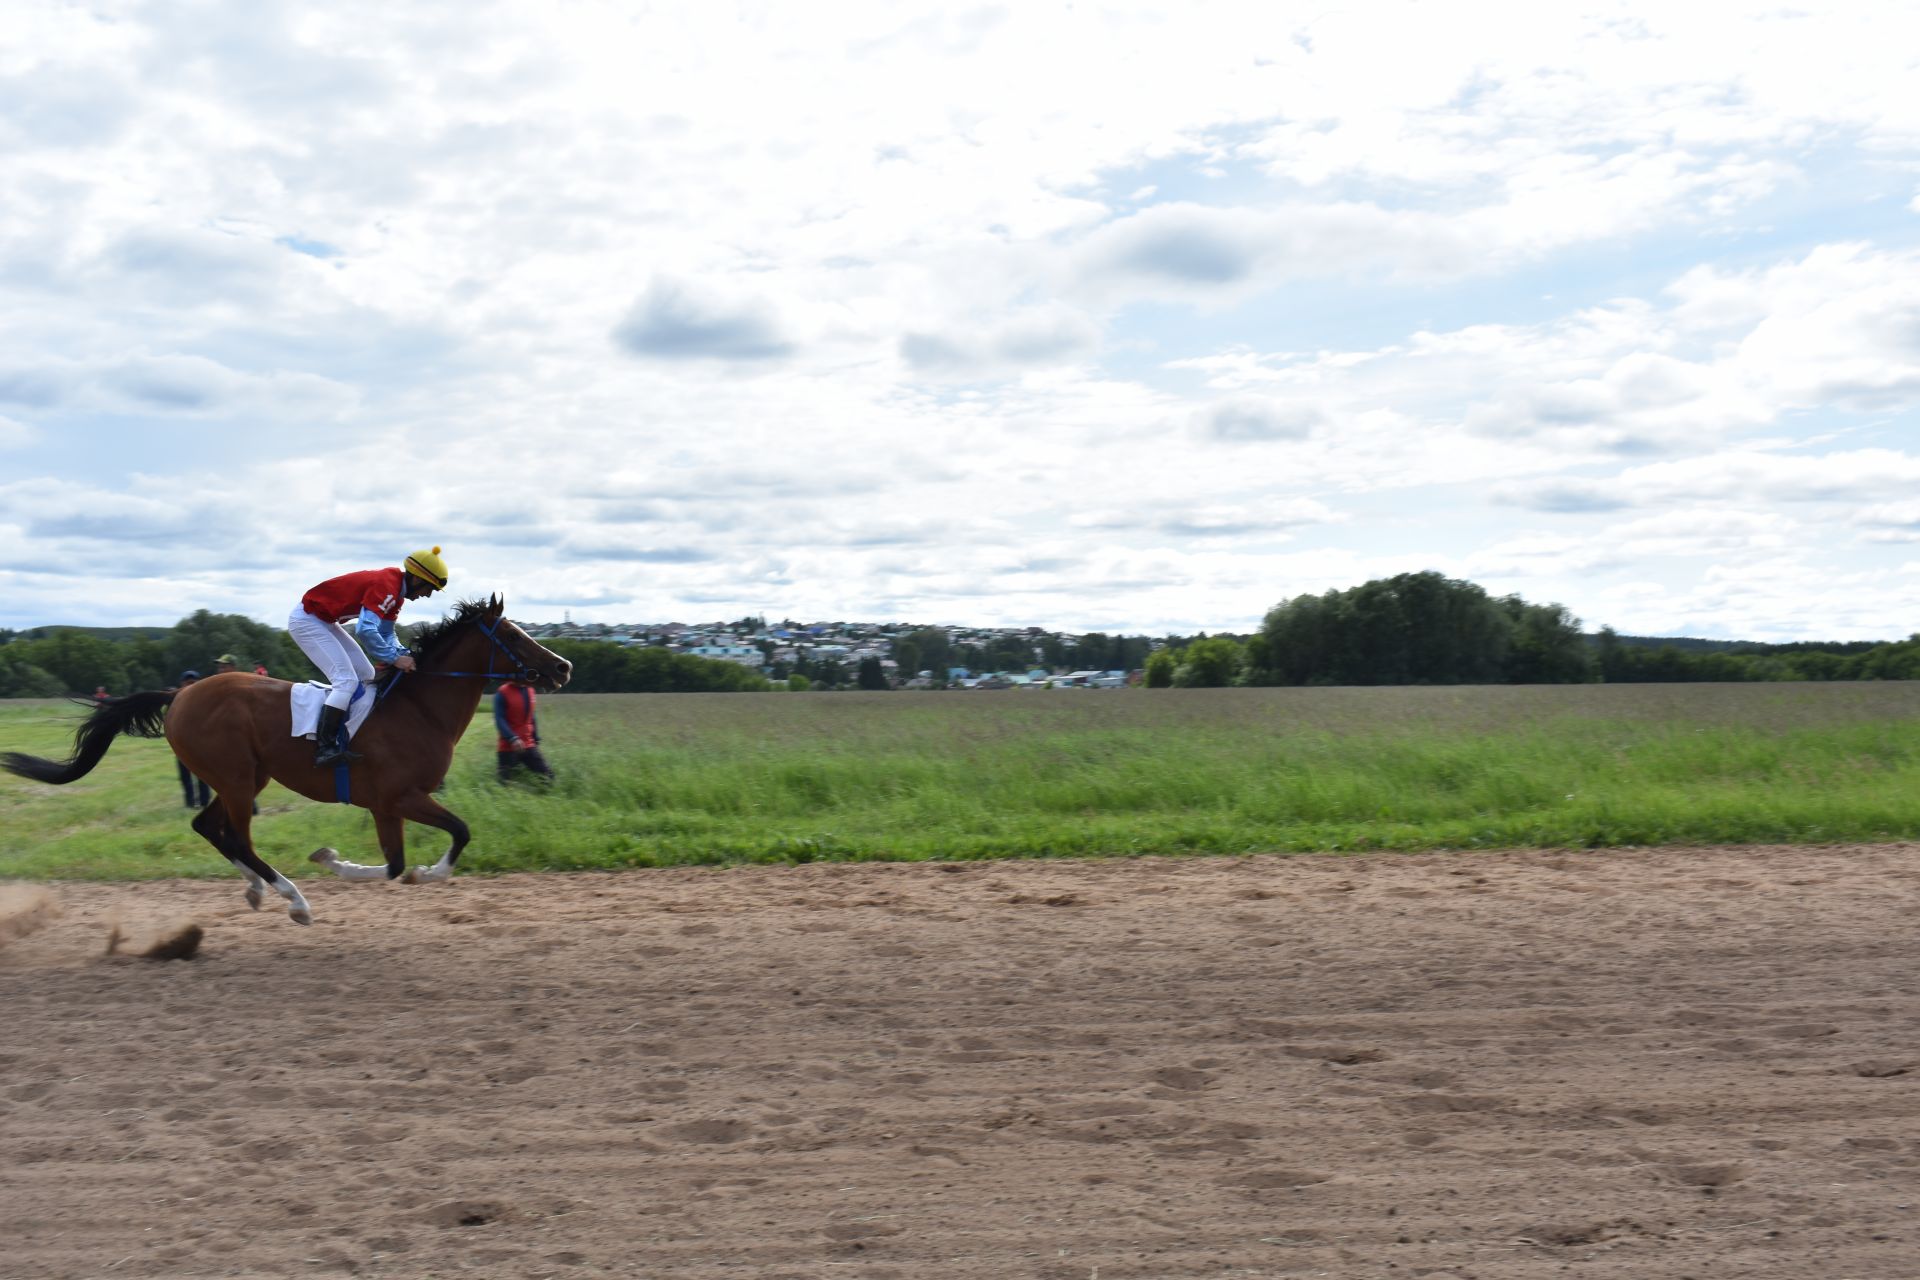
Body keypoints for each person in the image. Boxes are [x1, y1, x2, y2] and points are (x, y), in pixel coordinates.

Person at [290, 546, 449, 767]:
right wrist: (395, 659)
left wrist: (404, 654)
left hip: (324, 621)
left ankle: (351, 732)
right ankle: (324, 748)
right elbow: (366, 630)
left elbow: (385, 633)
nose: (427, 594)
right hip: (307, 621)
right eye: (428, 588)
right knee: (346, 681)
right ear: (417, 579)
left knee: (366, 673)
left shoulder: (396, 594)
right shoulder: (387, 585)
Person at [493, 676, 553, 783]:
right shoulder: (502, 692)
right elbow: (499, 719)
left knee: (548, 777)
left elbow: (532, 717)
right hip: (508, 748)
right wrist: (512, 738)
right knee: (505, 784)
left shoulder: (530, 690)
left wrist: (535, 738)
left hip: (528, 745)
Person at [173, 671, 212, 807]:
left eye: (193, 682)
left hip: (201, 744)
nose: (191, 685)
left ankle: (204, 802)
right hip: (182, 744)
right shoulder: (176, 700)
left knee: (203, 775)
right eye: (188, 682)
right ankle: (190, 803)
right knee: (185, 776)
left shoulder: (205, 700)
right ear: (182, 684)